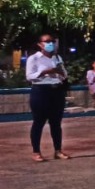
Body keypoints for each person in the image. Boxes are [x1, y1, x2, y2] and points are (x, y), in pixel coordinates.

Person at [27, 34, 70, 163]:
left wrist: (60, 73)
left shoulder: (57, 57)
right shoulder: (34, 58)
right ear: (40, 44)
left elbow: (64, 75)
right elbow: (29, 76)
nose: (50, 44)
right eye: (47, 41)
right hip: (41, 91)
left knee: (56, 123)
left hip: (56, 90)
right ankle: (36, 152)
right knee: (38, 122)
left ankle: (58, 150)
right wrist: (45, 72)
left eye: (52, 41)